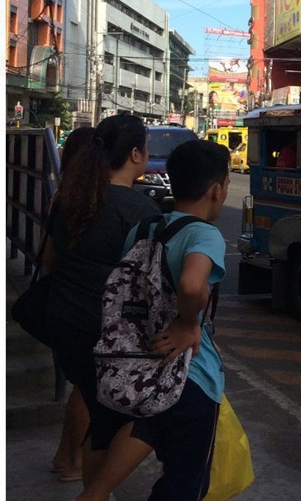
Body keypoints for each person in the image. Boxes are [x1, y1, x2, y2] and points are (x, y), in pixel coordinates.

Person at [76, 139, 230, 501]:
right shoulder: (204, 233)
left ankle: (95, 493)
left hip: (137, 365)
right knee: (184, 485)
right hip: (188, 377)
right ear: (217, 189)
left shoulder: (145, 228)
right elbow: (192, 285)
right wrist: (189, 324)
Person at [44, 115, 161, 494]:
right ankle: (93, 492)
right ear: (134, 153)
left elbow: (49, 261)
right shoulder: (141, 211)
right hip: (109, 332)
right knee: (147, 414)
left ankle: (83, 476)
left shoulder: (71, 199)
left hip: (62, 318)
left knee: (100, 415)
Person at [50, 126, 96, 483]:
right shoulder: (97, 200)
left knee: (80, 384)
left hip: (62, 302)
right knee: (85, 386)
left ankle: (64, 457)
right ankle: (72, 461)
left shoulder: (63, 196)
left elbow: (49, 258)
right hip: (85, 306)